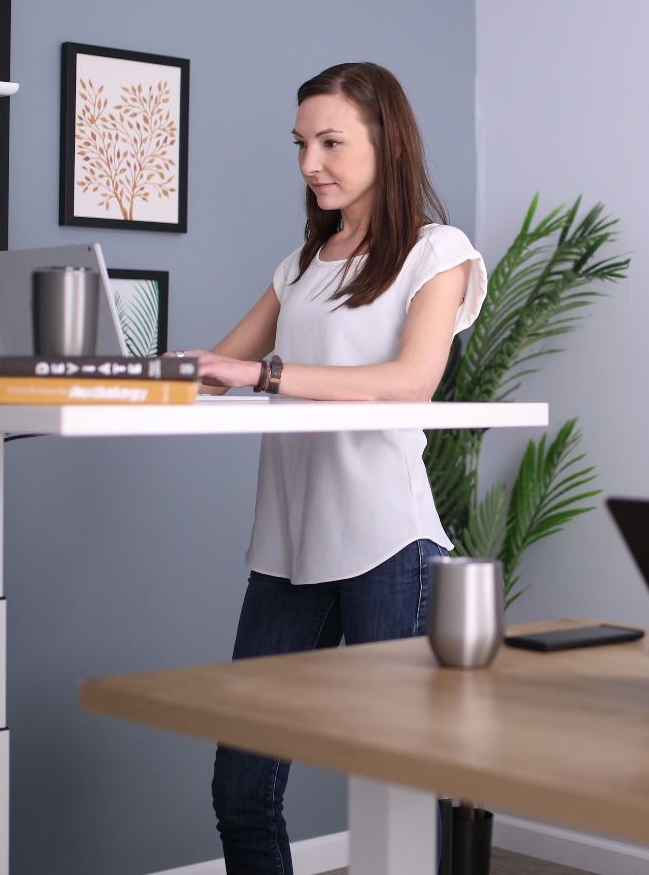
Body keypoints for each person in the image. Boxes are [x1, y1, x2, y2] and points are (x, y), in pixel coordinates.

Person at [183, 62, 486, 873]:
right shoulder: (304, 264)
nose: (309, 162)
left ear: (387, 145)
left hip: (389, 544)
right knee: (242, 790)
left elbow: (410, 382)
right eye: (300, 144)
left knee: (396, 792)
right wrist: (97, 369)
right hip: (287, 548)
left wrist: (268, 375)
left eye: (329, 142)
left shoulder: (436, 252)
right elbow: (220, 364)